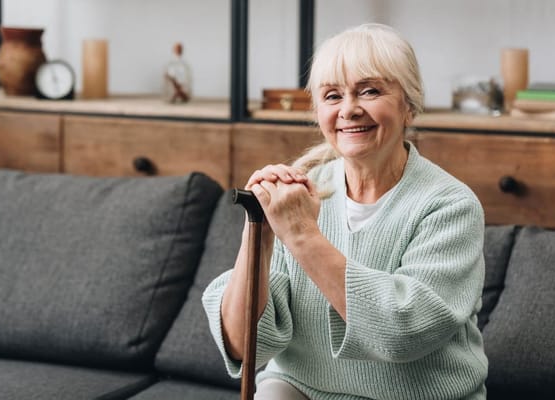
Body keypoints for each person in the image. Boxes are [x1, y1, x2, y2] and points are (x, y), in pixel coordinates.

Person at [202, 23, 488, 400]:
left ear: (409, 106)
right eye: (332, 96)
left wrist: (302, 235)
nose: (349, 110)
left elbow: (403, 331)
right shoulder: (301, 195)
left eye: (370, 91)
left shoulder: (451, 206)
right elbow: (243, 345)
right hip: (303, 388)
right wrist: (262, 233)